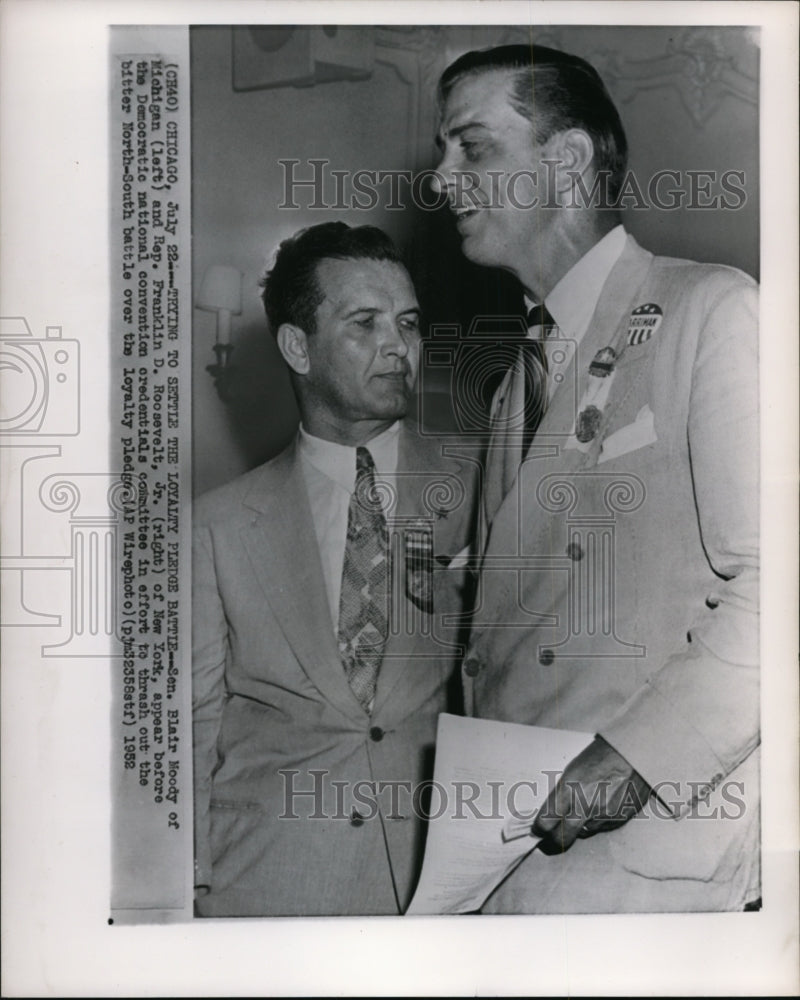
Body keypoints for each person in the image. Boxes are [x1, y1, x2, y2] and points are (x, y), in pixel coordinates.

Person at [432, 44, 759, 912]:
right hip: (512, 870)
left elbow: (780, 585)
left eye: (473, 148)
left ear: (567, 161)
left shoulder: (711, 309)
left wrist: (640, 754)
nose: (441, 179)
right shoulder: (514, 383)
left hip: (644, 872)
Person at [192, 222, 479, 916]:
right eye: (365, 324)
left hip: (442, 895)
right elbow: (189, 728)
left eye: (408, 323)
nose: (397, 347)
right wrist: (186, 891)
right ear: (298, 347)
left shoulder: (485, 485)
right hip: (266, 892)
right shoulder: (216, 524)